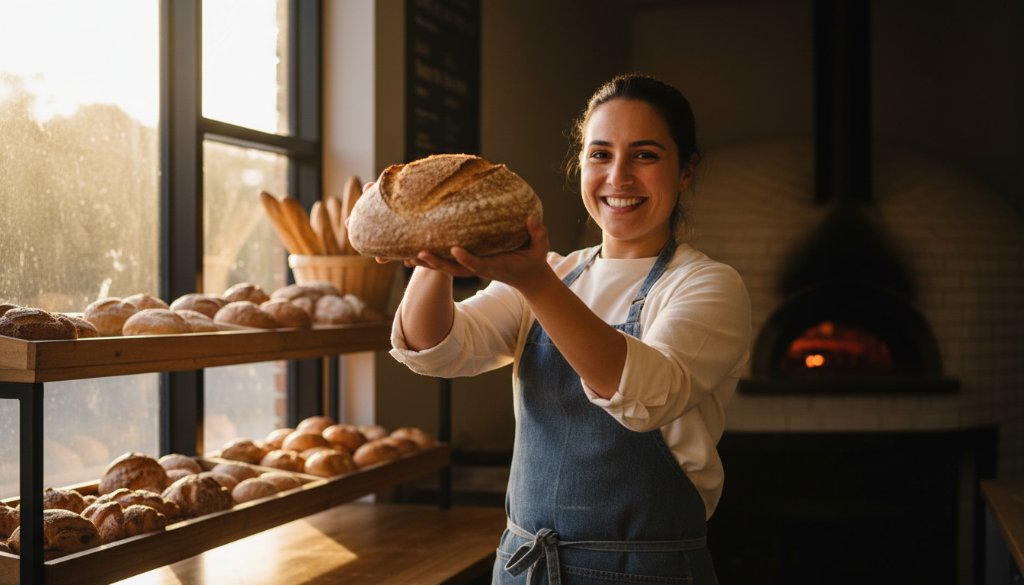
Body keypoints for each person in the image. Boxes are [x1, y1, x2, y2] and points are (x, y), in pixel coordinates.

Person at [387, 73, 751, 584]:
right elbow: (435, 349)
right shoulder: (556, 272)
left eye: (645, 155)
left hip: (645, 571)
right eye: (600, 154)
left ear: (686, 170)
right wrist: (436, 247)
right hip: (526, 567)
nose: (618, 177)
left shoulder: (706, 285)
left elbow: (647, 396)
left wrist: (537, 284)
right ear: (580, 164)